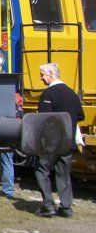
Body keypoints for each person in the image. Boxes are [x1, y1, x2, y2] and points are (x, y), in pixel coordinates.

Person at [34, 62, 85, 217]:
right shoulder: (72, 93)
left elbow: (44, 119)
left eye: (42, 74)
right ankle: (66, 208)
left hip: (51, 143)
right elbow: (81, 116)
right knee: (63, 174)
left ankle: (48, 205)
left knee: (41, 170)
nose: (41, 78)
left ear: (51, 74)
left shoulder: (49, 94)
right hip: (67, 141)